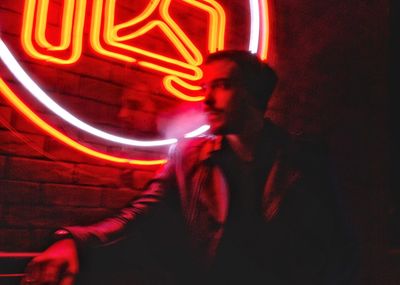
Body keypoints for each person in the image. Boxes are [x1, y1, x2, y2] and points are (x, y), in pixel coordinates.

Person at [22, 50, 357, 285]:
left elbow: (337, 247)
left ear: (254, 94)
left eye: (223, 86)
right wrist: (72, 240)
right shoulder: (188, 156)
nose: (207, 99)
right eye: (204, 88)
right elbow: (140, 214)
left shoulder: (305, 158)